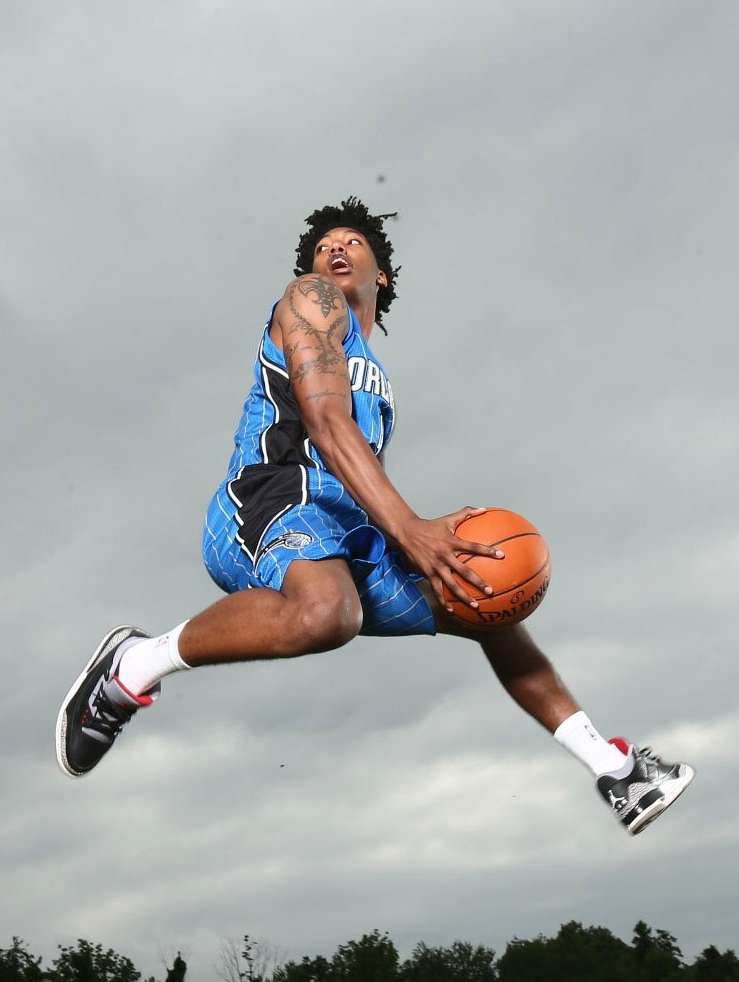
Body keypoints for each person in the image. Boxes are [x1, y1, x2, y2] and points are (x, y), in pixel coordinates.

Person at [55, 197, 694, 835]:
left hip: (349, 529)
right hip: (271, 494)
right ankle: (132, 666)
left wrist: (429, 539)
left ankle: (614, 771)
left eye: (352, 243)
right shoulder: (311, 301)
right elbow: (327, 424)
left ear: (380, 275)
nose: (334, 250)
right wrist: (412, 528)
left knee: (483, 598)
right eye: (323, 244)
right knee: (327, 614)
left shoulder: (375, 367)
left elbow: (356, 462)